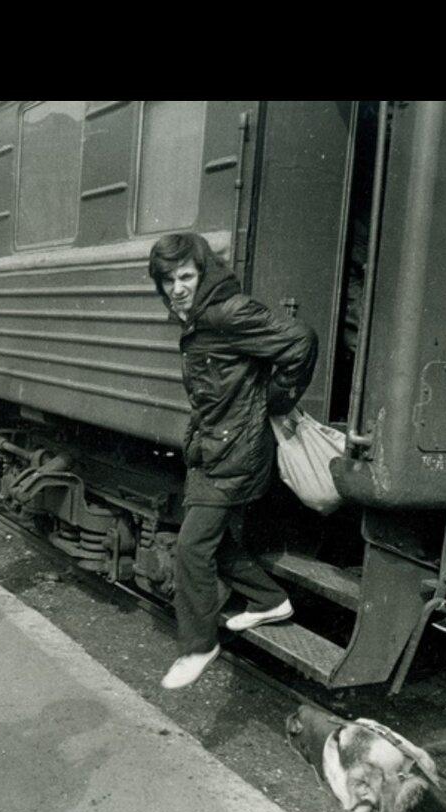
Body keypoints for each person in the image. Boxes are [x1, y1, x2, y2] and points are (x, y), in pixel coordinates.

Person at [148, 233, 319, 689]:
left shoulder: (227, 311)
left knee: (191, 547)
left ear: (203, 273)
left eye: (186, 276)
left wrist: (275, 401)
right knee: (211, 541)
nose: (177, 287)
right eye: (168, 279)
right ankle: (270, 600)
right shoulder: (198, 319)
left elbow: (301, 341)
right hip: (213, 448)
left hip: (235, 452)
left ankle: (199, 646)